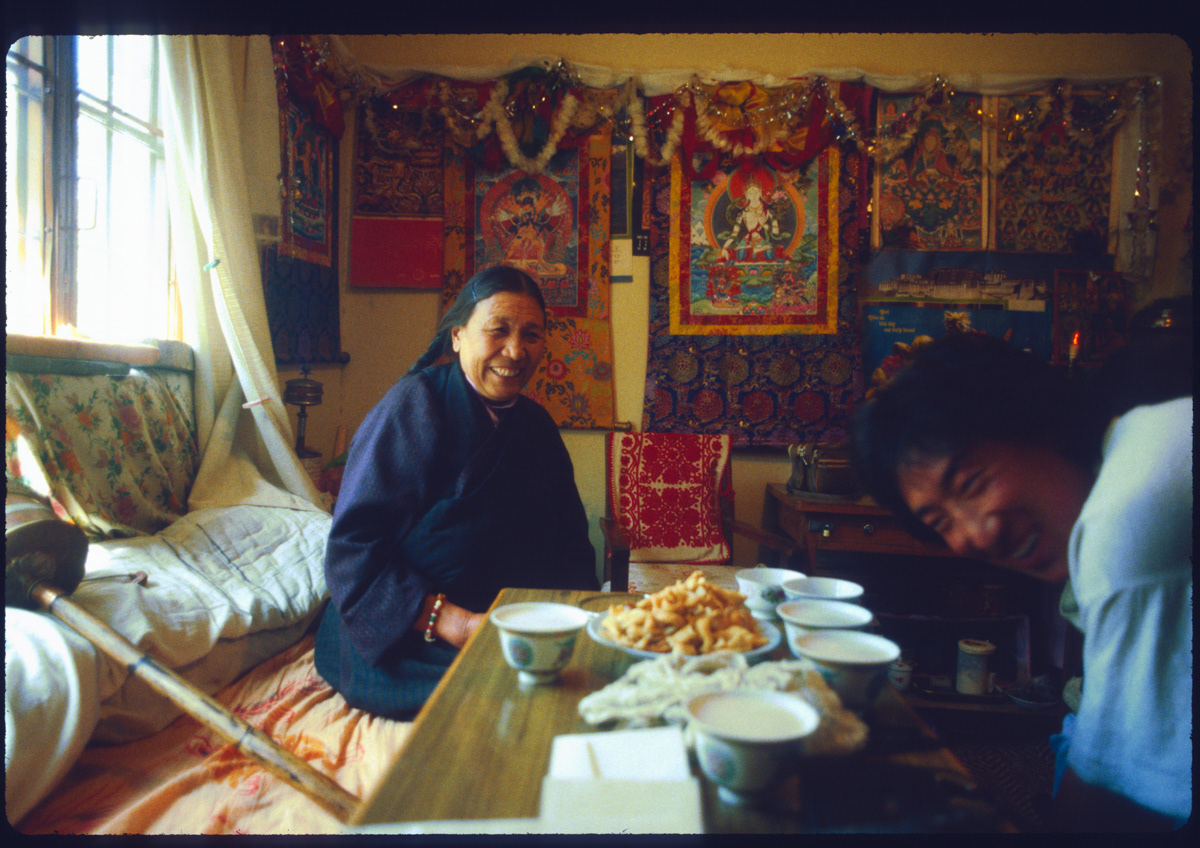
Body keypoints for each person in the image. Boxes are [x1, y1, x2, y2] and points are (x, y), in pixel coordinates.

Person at [850, 331, 1191, 831]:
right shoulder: (1141, 433)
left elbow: (1111, 798)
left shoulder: (1127, 520)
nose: (977, 534)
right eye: (940, 522)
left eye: (971, 483)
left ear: (1036, 421)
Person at [313, 265, 598, 719]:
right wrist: (459, 624)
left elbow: (570, 547)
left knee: (589, 673)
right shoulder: (413, 406)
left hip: (503, 625)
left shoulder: (537, 426)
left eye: (531, 335)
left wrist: (576, 622)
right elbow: (352, 550)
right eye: (498, 330)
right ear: (458, 335)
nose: (515, 351)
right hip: (407, 631)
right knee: (511, 694)